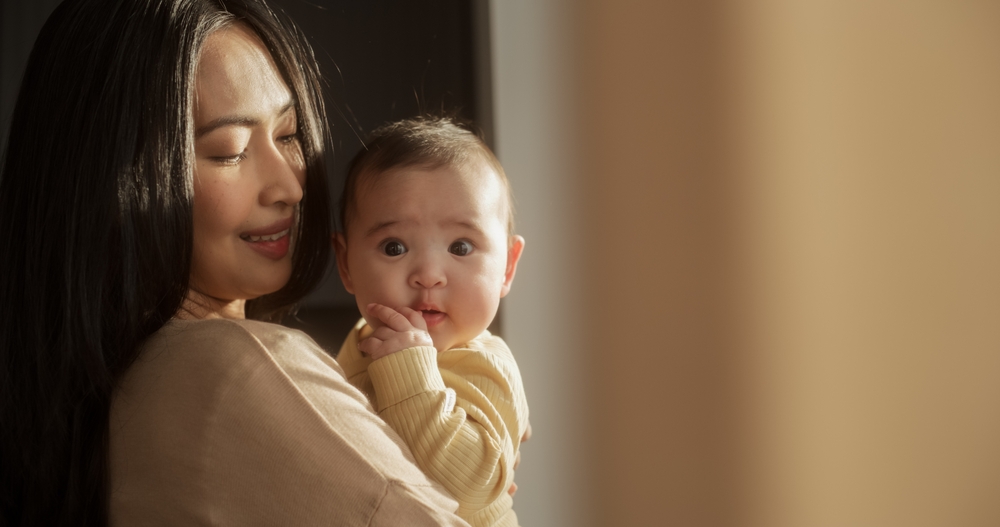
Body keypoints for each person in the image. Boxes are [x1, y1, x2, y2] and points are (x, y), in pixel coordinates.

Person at [0, 1, 469, 525]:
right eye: (230, 150)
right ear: (114, 180)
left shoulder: (107, 399)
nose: (291, 187)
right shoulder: (237, 366)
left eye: (289, 136)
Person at [333, 117, 530, 527]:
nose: (428, 274)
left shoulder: (484, 365)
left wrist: (409, 373)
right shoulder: (363, 342)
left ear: (507, 267)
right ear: (346, 263)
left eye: (461, 246)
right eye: (394, 246)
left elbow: (472, 488)